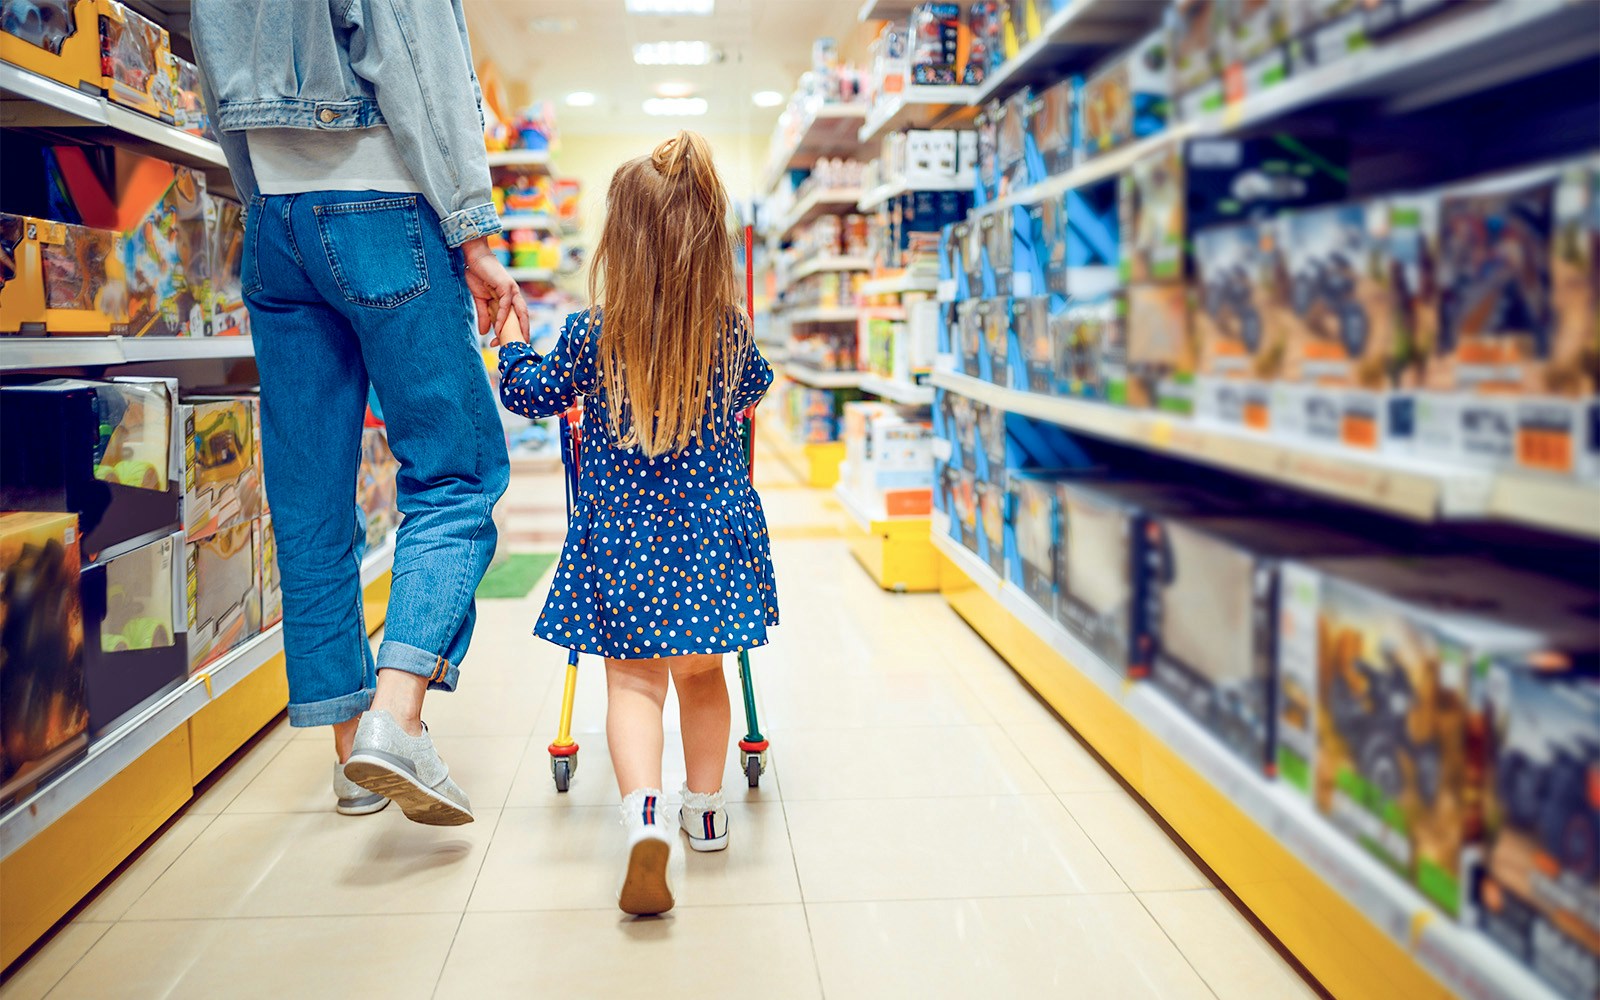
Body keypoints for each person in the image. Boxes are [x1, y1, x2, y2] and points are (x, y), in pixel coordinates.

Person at [191, 0, 521, 825]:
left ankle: (349, 752)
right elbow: (417, 59)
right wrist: (473, 233)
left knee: (310, 498)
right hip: (382, 208)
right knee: (454, 472)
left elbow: (211, 67)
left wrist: (268, 198)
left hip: (273, 218)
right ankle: (397, 717)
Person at [496, 131, 777, 915]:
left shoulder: (594, 334)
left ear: (619, 238)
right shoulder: (730, 334)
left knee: (633, 684)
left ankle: (644, 818)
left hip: (625, 540)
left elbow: (532, 395)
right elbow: (757, 393)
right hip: (712, 537)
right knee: (702, 674)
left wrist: (514, 343)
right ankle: (709, 811)